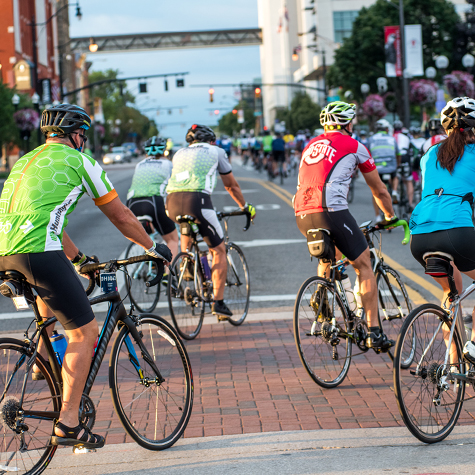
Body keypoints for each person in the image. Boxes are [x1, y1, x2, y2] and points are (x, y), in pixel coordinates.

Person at [0, 104, 171, 449]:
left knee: (53, 304)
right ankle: (68, 423)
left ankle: (43, 362)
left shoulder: (25, 161)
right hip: (37, 252)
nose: (84, 141)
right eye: (83, 136)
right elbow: (120, 215)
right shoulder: (80, 162)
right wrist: (153, 247)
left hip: (6, 251)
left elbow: (45, 218)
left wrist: (79, 259)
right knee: (86, 330)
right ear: (76, 135)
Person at [294, 101, 397, 350]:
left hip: (302, 213)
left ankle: (325, 309)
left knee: (329, 261)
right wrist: (390, 216)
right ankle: (373, 331)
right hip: (332, 211)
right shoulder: (354, 145)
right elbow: (379, 189)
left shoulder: (309, 146)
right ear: (348, 124)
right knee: (363, 266)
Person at [409, 97, 475, 362]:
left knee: (452, 291)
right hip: (456, 231)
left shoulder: (429, 154)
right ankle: (473, 345)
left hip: (420, 236)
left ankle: (453, 362)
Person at [166, 124, 256, 319]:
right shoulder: (216, 151)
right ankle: (219, 303)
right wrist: (244, 207)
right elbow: (231, 185)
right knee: (218, 250)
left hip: (172, 203)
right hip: (197, 202)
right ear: (211, 141)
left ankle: (186, 261)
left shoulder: (179, 153)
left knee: (185, 224)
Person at [127, 136, 179, 263]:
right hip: (153, 201)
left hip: (132, 202)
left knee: (150, 231)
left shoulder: (139, 165)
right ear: (164, 150)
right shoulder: (168, 164)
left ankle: (152, 257)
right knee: (173, 239)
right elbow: (176, 186)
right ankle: (168, 274)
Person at [367, 118, 399, 222]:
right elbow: (398, 154)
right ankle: (394, 190)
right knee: (395, 176)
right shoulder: (391, 138)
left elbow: (367, 155)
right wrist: (397, 165)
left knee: (375, 191)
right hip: (390, 166)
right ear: (386, 129)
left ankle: (377, 216)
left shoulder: (371, 139)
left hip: (377, 168)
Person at [393, 119, 414, 210]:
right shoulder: (406, 137)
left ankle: (394, 191)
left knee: (395, 176)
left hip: (395, 157)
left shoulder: (391, 136)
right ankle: (410, 203)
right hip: (405, 157)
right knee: (408, 180)